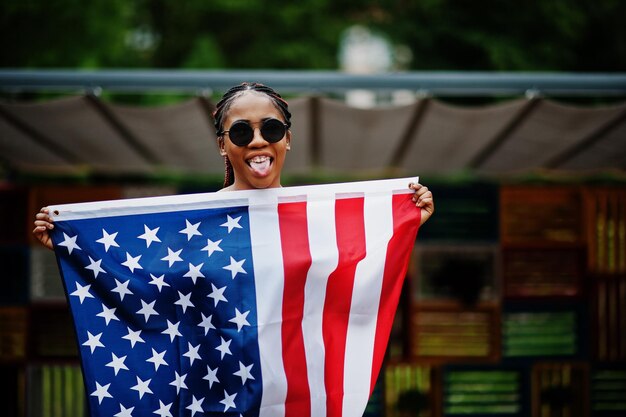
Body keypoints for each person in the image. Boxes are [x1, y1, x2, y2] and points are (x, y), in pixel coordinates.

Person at [33, 82, 434, 248]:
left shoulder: (316, 217)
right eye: (241, 132)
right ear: (223, 146)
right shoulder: (192, 221)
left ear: (288, 139)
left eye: (271, 129)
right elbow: (147, 294)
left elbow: (353, 277)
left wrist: (404, 220)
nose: (258, 140)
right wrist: (72, 244)